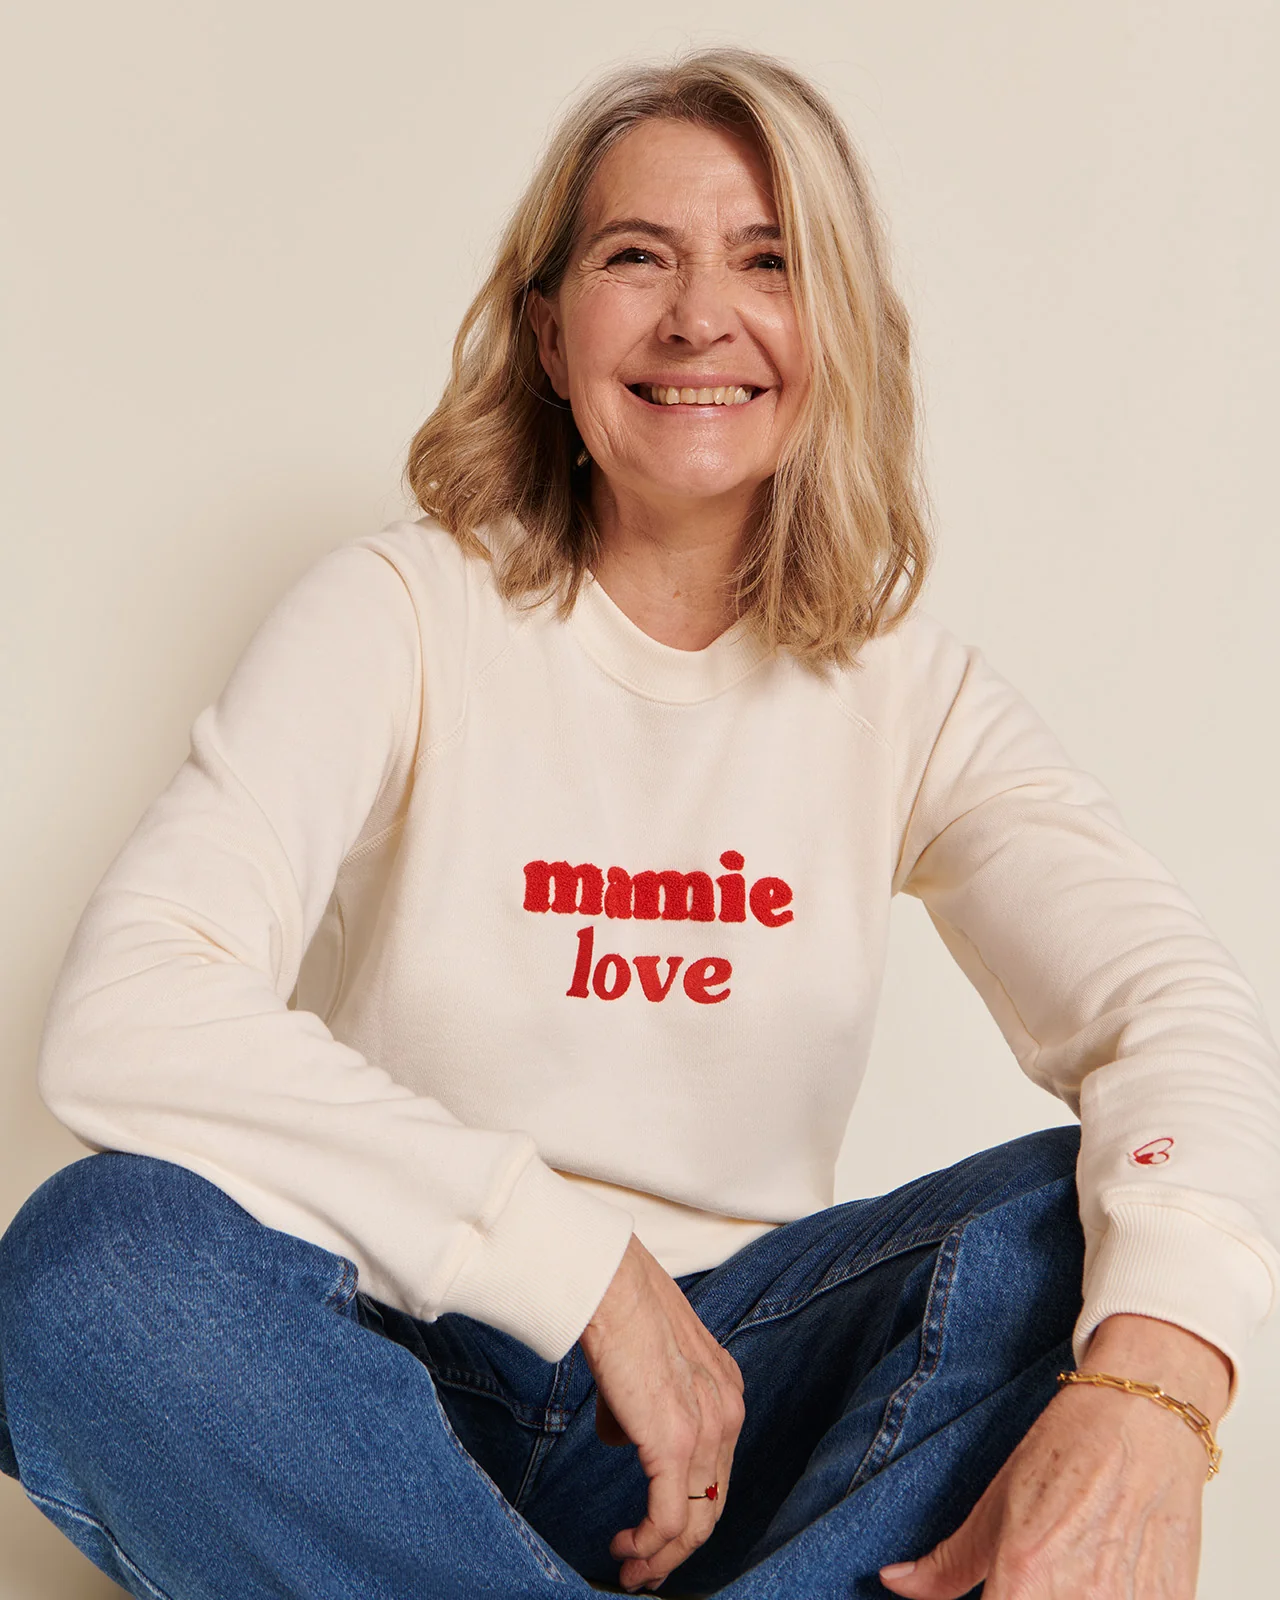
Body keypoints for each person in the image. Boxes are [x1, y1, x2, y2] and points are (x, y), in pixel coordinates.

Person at [1, 44, 1277, 1600]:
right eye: (635, 258)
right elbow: (129, 1013)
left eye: (768, 261)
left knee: (1093, 1229)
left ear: (837, 331)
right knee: (95, 1263)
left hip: (747, 1417)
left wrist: (1154, 1389)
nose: (698, 317)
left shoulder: (910, 696)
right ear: (549, 332)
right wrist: (575, 1265)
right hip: (392, 1398)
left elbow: (1178, 1014)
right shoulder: (402, 614)